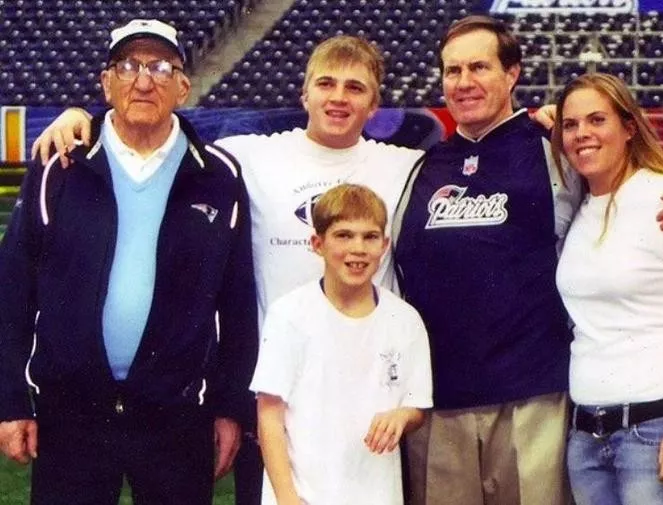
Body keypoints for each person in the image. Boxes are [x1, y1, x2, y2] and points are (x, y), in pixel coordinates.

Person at [30, 35, 423, 505]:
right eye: (326, 83)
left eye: (355, 88)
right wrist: (83, 118)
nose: (338, 97)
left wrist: (537, 120)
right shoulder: (251, 156)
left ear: (376, 103)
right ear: (304, 94)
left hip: (366, 392)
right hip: (278, 395)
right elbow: (151, 121)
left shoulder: (407, 166)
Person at [392, 15, 663, 505]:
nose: (464, 82)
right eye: (452, 70)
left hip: (534, 401)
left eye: (479, 67)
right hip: (438, 403)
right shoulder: (417, 166)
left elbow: (631, 178)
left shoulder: (556, 152)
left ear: (512, 74)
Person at [0, 19, 258, 504]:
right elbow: (12, 289)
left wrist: (231, 408)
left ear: (183, 86)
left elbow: (238, 303)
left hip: (177, 415)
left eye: (161, 67)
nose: (144, 80)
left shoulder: (219, 176)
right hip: (71, 413)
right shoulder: (60, 166)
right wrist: (11, 400)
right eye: (129, 65)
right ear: (106, 82)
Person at [551, 73, 663, 505]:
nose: (583, 134)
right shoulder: (581, 203)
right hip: (587, 437)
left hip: (658, 428)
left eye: (598, 119)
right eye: (571, 125)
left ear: (629, 127)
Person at [250, 183, 432, 505]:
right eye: (344, 235)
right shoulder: (289, 314)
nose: (358, 248)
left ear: (385, 245)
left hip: (376, 492)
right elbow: (269, 414)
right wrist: (287, 497)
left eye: (370, 236)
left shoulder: (405, 319)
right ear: (317, 244)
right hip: (304, 493)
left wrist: (402, 416)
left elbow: (417, 405)